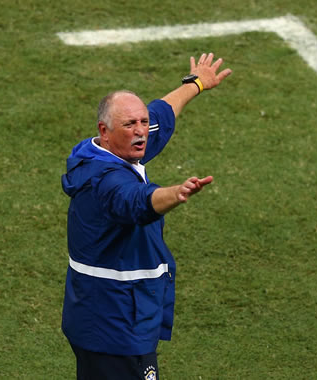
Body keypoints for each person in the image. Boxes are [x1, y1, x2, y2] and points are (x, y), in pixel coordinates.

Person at [60, 53, 231, 380]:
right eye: (131, 124)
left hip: (100, 316)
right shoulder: (106, 183)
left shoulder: (113, 145)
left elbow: (161, 114)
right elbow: (136, 201)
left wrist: (196, 83)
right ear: (105, 130)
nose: (142, 131)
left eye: (141, 122)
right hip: (115, 324)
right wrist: (176, 193)